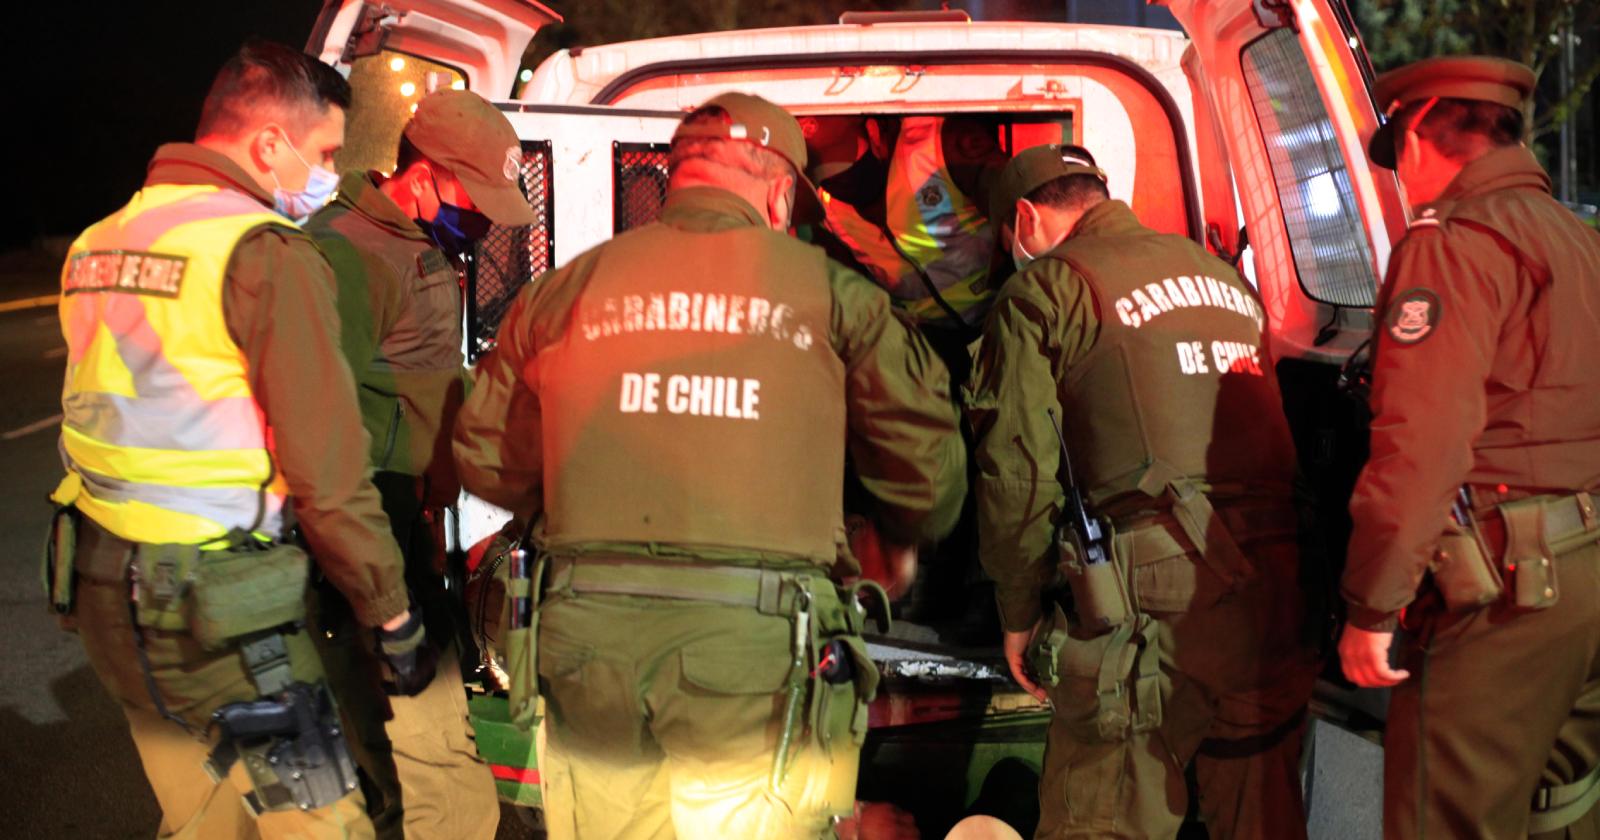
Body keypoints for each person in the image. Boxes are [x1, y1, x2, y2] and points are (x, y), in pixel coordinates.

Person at [453, 91, 966, 838]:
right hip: (749, 653)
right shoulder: (829, 295)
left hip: (588, 643)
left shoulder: (567, 288)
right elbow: (929, 466)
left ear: (676, 175)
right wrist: (890, 541)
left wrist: (579, 510)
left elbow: (483, 450)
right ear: (780, 187)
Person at [44, 41, 428, 838]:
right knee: (323, 825)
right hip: (221, 620)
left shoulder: (99, 241)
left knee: (203, 821)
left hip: (106, 593)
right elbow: (328, 473)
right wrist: (392, 617)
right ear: (266, 145)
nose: (327, 174)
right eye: (323, 152)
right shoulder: (264, 253)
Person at [968, 145, 1316, 839]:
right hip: (1279, 583)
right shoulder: (1223, 277)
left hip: (1151, 596)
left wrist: (1019, 611)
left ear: (1028, 218)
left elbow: (1019, 471)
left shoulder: (1046, 291)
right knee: (1261, 817)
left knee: (1101, 817)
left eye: (1008, 235)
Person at [1337, 56, 1600, 838]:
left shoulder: (1452, 242)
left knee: (1445, 820)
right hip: (1586, 577)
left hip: (1507, 591)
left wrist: (1371, 606)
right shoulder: (1576, 239)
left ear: (1417, 130)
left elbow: (1421, 444)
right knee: (1561, 809)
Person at [304, 88, 531, 840]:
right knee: (423, 741)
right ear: (424, 175)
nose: (485, 221)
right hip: (360, 525)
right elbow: (312, 413)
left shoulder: (414, 243)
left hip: (402, 516)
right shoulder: (349, 251)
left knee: (403, 737)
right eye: (477, 199)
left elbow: (419, 381)